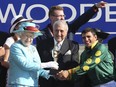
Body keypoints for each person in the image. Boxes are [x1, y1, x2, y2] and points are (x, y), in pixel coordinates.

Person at [36, 1, 107, 45]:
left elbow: (82, 19)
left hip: (68, 66)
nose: (62, 18)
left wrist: (95, 7)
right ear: (51, 17)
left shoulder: (70, 29)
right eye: (60, 16)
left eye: (63, 15)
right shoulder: (41, 34)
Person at [7, 22, 51, 87]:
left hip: (33, 84)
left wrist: (51, 74)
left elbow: (37, 67)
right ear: (20, 35)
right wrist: (47, 64)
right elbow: (25, 65)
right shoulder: (15, 47)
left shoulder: (33, 48)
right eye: (26, 35)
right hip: (18, 84)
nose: (29, 39)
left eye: (31, 36)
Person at [37, 20, 79, 87]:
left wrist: (65, 73)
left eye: (61, 31)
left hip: (65, 83)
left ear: (66, 32)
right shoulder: (42, 44)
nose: (59, 34)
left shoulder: (73, 45)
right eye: (56, 30)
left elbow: (74, 64)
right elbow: (38, 64)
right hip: (46, 83)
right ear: (53, 31)